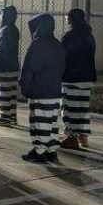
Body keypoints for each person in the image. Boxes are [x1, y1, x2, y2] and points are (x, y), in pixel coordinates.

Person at [19, 13, 66, 163]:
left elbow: (29, 69)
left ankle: (39, 150)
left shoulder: (38, 45)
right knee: (51, 122)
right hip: (54, 89)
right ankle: (51, 150)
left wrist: (25, 86)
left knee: (39, 121)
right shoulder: (57, 44)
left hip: (40, 89)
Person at [60, 8, 96, 149]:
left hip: (72, 78)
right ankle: (83, 136)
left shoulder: (69, 36)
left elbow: (64, 56)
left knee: (70, 108)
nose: (66, 19)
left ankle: (72, 137)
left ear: (72, 19)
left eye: (68, 17)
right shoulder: (89, 36)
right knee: (82, 108)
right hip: (87, 77)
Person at [0, 6, 21, 126]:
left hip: (4, 66)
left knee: (3, 92)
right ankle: (12, 116)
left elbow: (0, 48)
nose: (0, 17)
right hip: (13, 65)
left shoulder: (5, 30)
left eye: (1, 14)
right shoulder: (14, 29)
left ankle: (4, 116)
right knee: (12, 93)